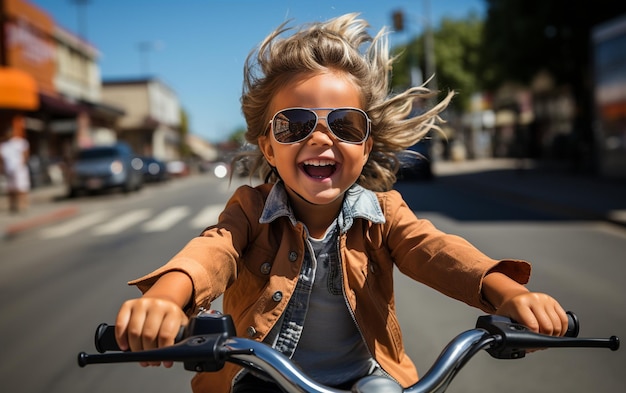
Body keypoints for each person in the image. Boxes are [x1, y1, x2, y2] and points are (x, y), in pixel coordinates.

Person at [114, 14, 568, 393]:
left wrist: (510, 294)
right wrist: (167, 298)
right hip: (262, 379)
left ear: (366, 145)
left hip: (366, 380)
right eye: (294, 124)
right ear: (269, 147)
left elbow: (436, 251)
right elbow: (214, 250)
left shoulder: (385, 215)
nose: (320, 138)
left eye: (346, 125)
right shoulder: (250, 210)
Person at [0, 111, 30, 213]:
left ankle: (22, 206)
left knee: (21, 188)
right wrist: (2, 168)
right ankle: (13, 206)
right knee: (11, 189)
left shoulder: (20, 142)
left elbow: (25, 154)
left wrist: (21, 165)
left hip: (19, 169)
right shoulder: (3, 145)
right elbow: (2, 158)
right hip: (9, 169)